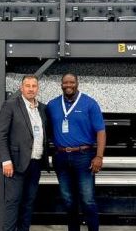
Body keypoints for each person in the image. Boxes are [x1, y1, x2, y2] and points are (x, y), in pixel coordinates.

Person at [46, 73, 106, 231]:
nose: (68, 85)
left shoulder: (90, 103)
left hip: (84, 156)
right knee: (68, 200)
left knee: (87, 200)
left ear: (77, 83)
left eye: (71, 82)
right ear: (61, 84)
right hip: (61, 156)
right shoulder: (52, 105)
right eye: (65, 82)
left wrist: (99, 156)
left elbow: (101, 131)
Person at [0, 74, 48, 231]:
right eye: (28, 85)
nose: (31, 89)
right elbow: (1, 135)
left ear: (37, 88)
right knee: (13, 203)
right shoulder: (10, 105)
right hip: (15, 164)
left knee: (28, 203)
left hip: (35, 163)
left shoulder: (43, 108)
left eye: (34, 86)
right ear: (21, 88)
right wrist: (6, 160)